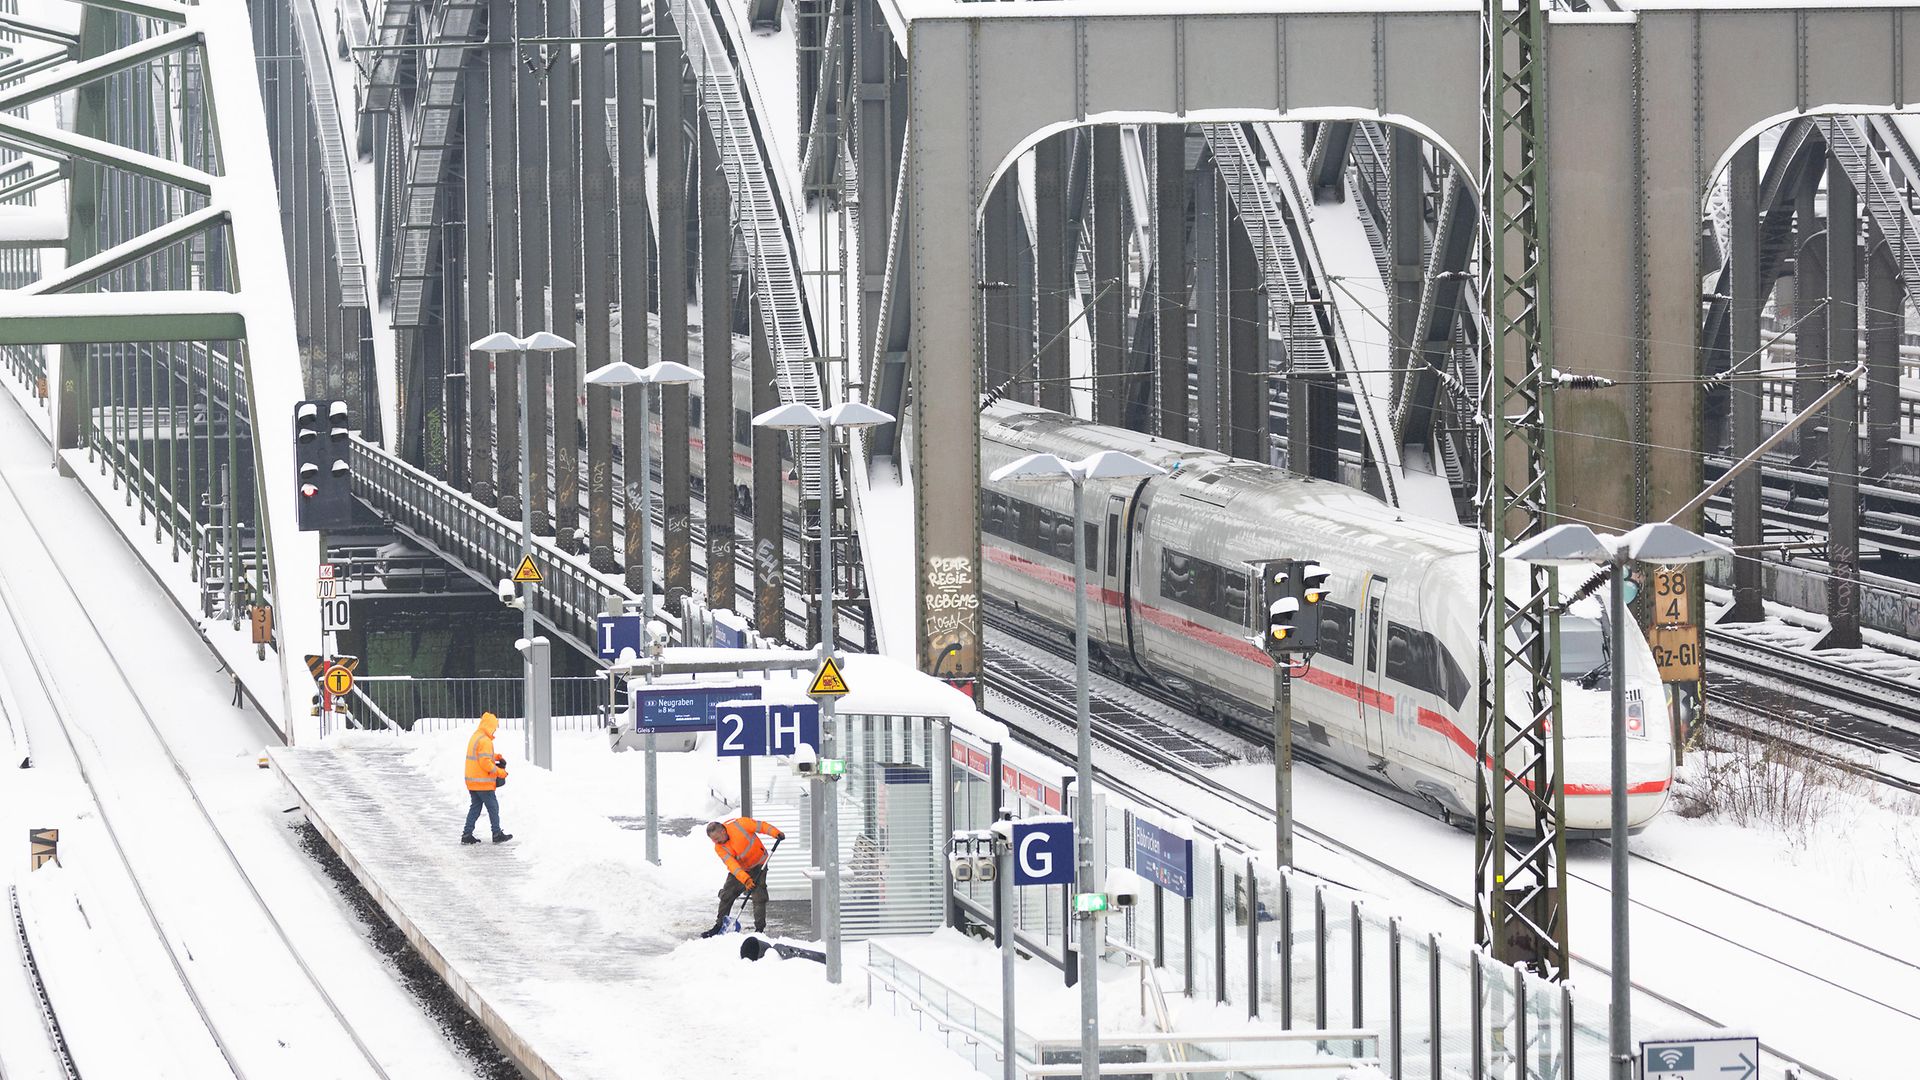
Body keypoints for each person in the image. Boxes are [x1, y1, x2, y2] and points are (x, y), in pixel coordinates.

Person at [700, 816, 783, 937]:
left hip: (759, 864)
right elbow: (732, 865)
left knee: (759, 897)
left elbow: (761, 826)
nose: (716, 842)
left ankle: (759, 930)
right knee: (726, 895)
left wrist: (776, 833)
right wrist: (746, 879)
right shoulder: (719, 847)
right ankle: (719, 926)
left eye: (717, 839)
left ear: (723, 831)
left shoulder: (741, 824)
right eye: (714, 840)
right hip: (741, 869)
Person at [461, 712, 513, 845]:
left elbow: (480, 755)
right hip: (483, 783)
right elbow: (485, 763)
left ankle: (467, 834)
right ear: (490, 726)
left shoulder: (476, 736)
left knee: (475, 808)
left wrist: (495, 756)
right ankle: (497, 834)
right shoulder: (485, 741)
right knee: (493, 807)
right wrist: (500, 772)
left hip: (472, 782)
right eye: (494, 727)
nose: (495, 729)